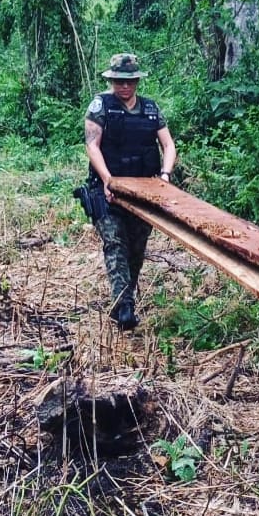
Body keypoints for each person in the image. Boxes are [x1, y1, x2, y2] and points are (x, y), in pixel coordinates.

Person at [84, 53, 177, 330]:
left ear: (137, 81)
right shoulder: (102, 105)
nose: (124, 87)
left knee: (137, 249)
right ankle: (123, 306)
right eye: (118, 82)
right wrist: (107, 179)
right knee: (115, 243)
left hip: (144, 192)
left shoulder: (150, 109)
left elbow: (168, 145)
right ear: (111, 80)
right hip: (108, 190)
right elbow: (92, 146)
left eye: (130, 82)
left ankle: (127, 296)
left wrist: (165, 175)